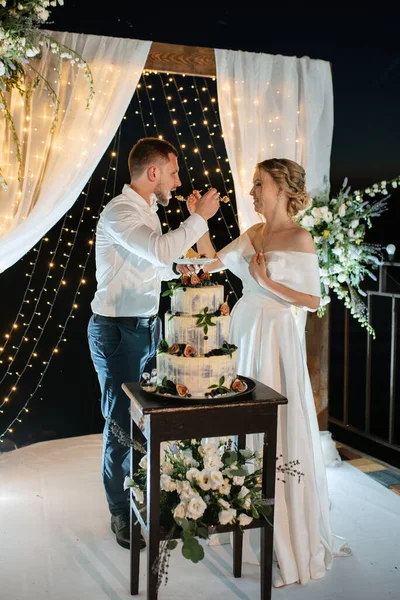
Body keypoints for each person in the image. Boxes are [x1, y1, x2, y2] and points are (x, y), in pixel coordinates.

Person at [187, 158, 350, 587]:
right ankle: (241, 516)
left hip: (276, 335)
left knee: (276, 423)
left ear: (281, 188)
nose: (253, 191)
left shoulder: (300, 237)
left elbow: (312, 300)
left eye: (259, 184)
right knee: (242, 421)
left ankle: (286, 538)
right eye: (253, 184)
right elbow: (211, 263)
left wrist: (265, 279)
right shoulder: (254, 233)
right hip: (245, 330)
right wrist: (196, 221)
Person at [87, 137, 220, 551]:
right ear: (154, 172)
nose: (178, 181)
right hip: (117, 332)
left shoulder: (146, 212)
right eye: (175, 172)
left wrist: (179, 262)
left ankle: (143, 500)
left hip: (145, 328)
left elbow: (154, 264)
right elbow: (159, 249)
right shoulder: (120, 212)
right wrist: (198, 217)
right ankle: (121, 513)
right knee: (122, 426)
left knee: (146, 424)